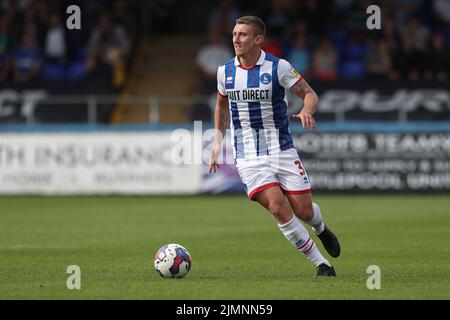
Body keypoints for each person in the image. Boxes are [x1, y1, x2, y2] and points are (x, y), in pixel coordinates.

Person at [208, 16, 340, 277]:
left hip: (282, 149)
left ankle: (321, 227)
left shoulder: (278, 67)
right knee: (278, 207)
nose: (236, 38)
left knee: (303, 210)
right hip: (248, 155)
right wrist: (217, 142)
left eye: (243, 34)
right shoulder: (225, 72)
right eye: (234, 34)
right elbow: (222, 106)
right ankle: (321, 264)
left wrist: (306, 110)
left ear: (258, 40)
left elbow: (310, 94)